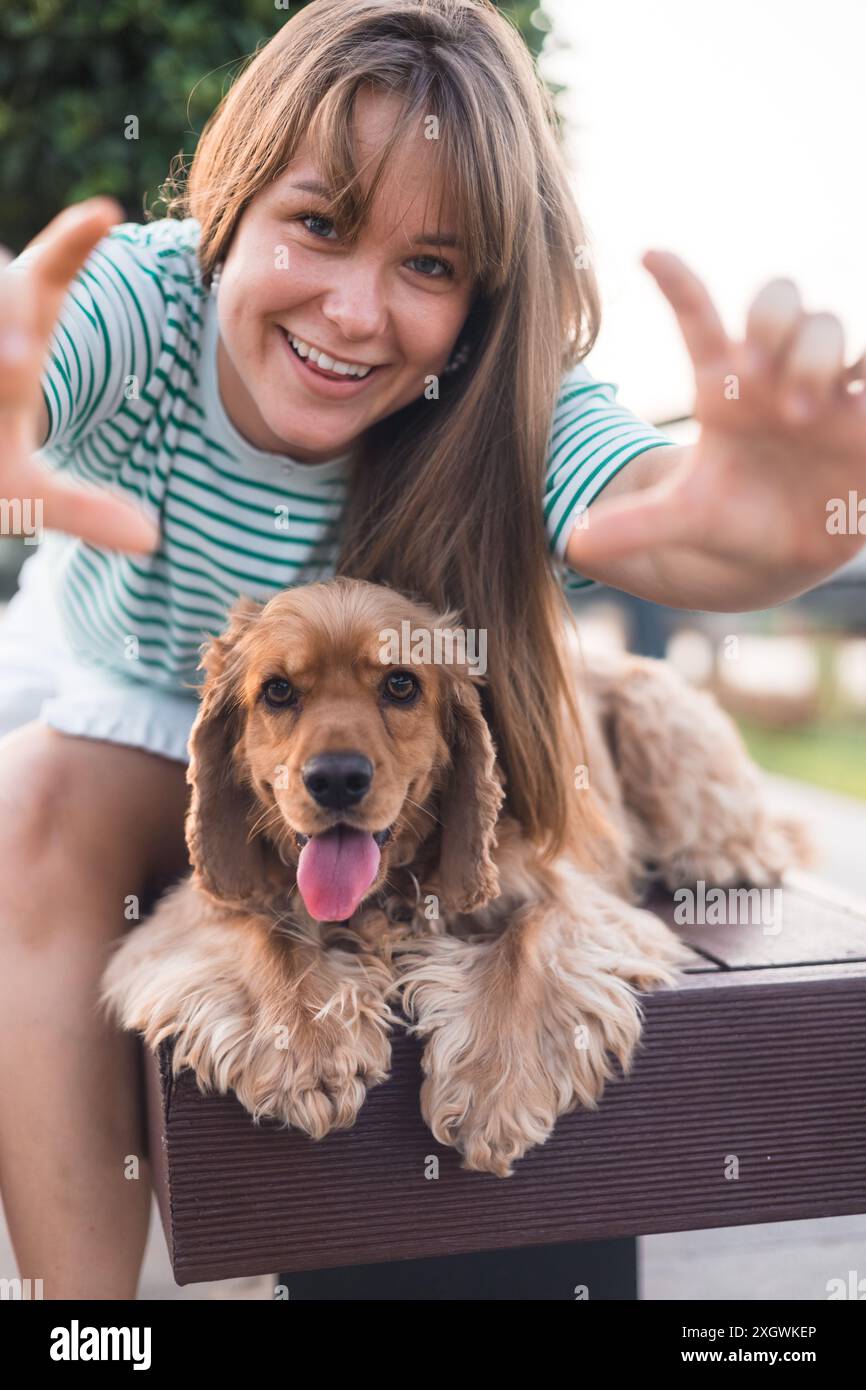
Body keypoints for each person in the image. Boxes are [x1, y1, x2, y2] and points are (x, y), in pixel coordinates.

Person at [0, 0, 863, 1299]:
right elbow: (38, 359)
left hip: (407, 743)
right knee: (32, 810)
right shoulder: (139, 301)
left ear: (483, 298)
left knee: (548, 802)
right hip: (128, 695)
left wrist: (760, 533)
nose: (353, 312)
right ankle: (88, 1321)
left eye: (431, 264)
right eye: (320, 224)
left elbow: (651, 511)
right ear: (231, 205)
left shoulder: (503, 401)